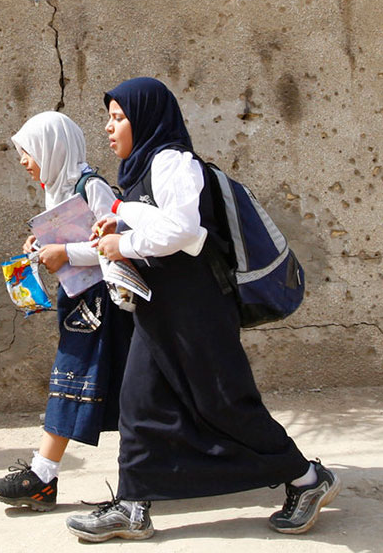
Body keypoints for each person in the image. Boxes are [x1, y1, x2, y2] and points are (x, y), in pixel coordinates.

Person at [65, 77, 340, 541]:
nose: (110, 129)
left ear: (146, 118)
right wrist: (120, 220)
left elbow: (185, 233)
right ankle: (132, 506)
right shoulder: (143, 168)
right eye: (109, 118)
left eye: (118, 118)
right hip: (161, 309)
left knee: (223, 402)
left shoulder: (173, 162)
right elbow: (159, 220)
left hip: (198, 310)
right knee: (139, 402)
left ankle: (307, 480)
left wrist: (122, 239)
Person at [0, 111, 133, 511]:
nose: (23, 160)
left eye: (27, 152)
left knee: (74, 382)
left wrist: (64, 251)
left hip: (103, 308)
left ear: (52, 149)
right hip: (79, 303)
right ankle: (43, 476)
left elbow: (120, 246)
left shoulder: (92, 186)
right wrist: (44, 244)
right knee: (83, 384)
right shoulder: (59, 190)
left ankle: (42, 476)